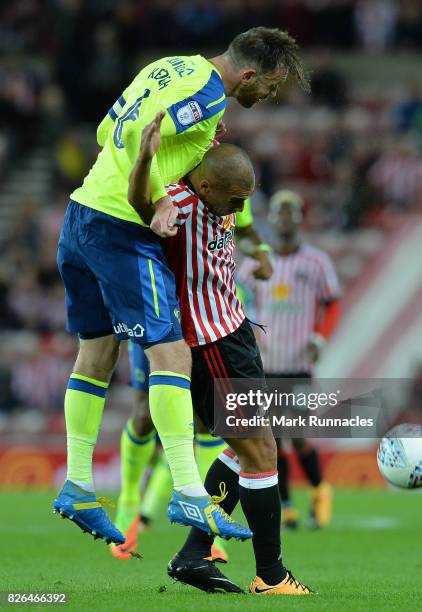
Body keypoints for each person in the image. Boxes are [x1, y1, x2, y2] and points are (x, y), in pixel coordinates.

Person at [53, 27, 309, 546]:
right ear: (250, 74)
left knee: (96, 357)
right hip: (120, 227)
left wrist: (157, 174)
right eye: (272, 87)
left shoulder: (168, 66)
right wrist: (156, 195)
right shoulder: (210, 94)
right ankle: (190, 492)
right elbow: (137, 137)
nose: (270, 98)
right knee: (172, 356)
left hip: (80, 214)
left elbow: (107, 131)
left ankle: (78, 482)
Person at [126, 113, 314, 595]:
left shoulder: (219, 195)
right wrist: (146, 158)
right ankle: (271, 576)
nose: (241, 207)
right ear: (205, 184)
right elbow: (140, 204)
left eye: (246, 198)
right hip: (209, 344)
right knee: (260, 449)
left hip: (234, 334)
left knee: (243, 448)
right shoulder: (181, 205)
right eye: (235, 199)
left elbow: (234, 211)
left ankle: (193, 554)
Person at [112, 197, 273, 561]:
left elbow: (244, 230)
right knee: (144, 415)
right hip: (158, 312)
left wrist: (260, 250)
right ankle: (129, 503)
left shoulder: (224, 186)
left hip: (205, 324)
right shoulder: (168, 184)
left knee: (211, 424)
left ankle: (207, 532)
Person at [238, 190, 342, 529]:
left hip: (299, 363)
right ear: (270, 219)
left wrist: (319, 338)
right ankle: (286, 504)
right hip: (264, 363)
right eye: (279, 211)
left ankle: (319, 490)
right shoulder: (254, 264)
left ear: (299, 218)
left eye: (290, 210)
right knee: (272, 437)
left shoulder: (316, 263)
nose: (284, 216)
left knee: (296, 432)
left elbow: (333, 303)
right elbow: (235, 297)